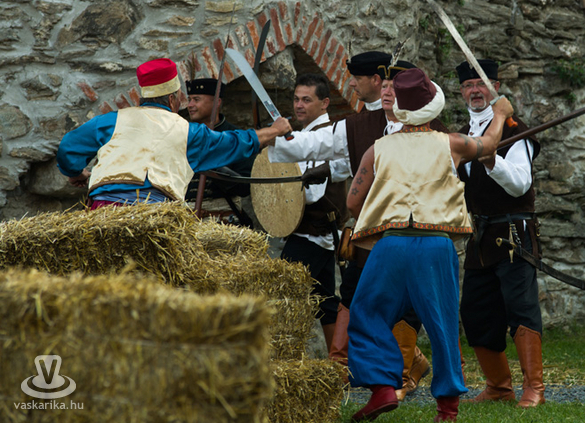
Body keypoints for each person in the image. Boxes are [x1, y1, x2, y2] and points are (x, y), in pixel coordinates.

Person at [268, 51, 441, 399]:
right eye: (386, 85)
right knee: (353, 293)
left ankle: (404, 374)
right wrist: (271, 136)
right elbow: (313, 145)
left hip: (416, 233)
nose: (388, 92)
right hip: (371, 232)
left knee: (409, 300)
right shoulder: (358, 125)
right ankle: (344, 365)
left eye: (395, 86)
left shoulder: (433, 131)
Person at [345, 67, 514, 422]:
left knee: (366, 313)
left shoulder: (377, 149)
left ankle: (382, 387)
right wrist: (499, 115)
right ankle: (447, 409)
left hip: (390, 246)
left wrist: (383, 215)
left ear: (401, 109)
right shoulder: (452, 143)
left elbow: (353, 202)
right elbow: (489, 146)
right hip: (435, 246)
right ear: (432, 105)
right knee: (442, 324)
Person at [57, 58, 291, 208]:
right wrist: (275, 130)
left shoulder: (111, 120)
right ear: (171, 99)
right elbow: (237, 143)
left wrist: (75, 173)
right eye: (181, 98)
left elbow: (68, 147)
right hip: (154, 213)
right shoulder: (188, 131)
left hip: (103, 210)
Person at [455, 59, 545, 408]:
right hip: (480, 236)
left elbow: (520, 183)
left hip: (513, 233)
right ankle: (498, 386)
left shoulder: (513, 129)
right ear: (461, 92)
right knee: (475, 310)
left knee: (521, 309)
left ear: (495, 86)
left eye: (481, 83)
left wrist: (491, 159)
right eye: (468, 85)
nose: (475, 91)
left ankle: (534, 388)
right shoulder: (461, 134)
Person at [280, 73, 350, 353]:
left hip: (315, 234)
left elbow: (311, 194)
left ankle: (285, 359)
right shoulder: (305, 135)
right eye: (296, 99)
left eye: (307, 100)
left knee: (282, 292)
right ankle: (340, 363)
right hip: (311, 232)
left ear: (324, 103)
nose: (299, 105)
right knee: (325, 301)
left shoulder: (330, 136)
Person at [183, 78, 256, 224]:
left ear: (217, 102)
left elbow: (245, 187)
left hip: (223, 221)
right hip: (188, 221)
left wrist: (217, 167)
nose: (190, 105)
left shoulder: (236, 137)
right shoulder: (183, 134)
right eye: (189, 100)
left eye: (196, 99)